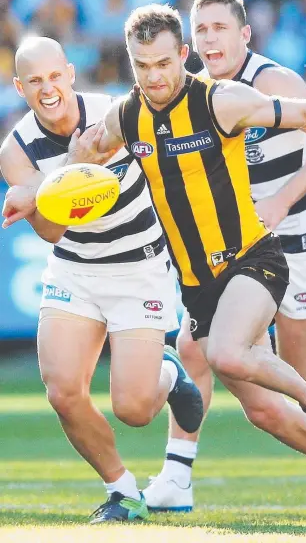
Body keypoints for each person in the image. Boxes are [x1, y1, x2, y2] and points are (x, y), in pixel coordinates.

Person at [88, 2, 306, 519]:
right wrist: (39, 190)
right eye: (142, 65)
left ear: (183, 56)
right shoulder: (126, 115)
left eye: (164, 63)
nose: (154, 76)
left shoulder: (224, 100)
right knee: (261, 407)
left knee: (231, 356)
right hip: (199, 285)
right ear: (131, 63)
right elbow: (88, 150)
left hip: (258, 257)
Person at [0, 36, 204, 524]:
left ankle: (168, 372)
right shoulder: (15, 149)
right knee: (62, 390)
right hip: (74, 268)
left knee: (134, 410)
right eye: (35, 82)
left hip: (139, 267)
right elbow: (51, 230)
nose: (48, 89)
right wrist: (78, 165)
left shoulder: (115, 113)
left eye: (54, 77)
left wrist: (55, 181)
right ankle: (123, 491)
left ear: (70, 73)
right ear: (19, 88)